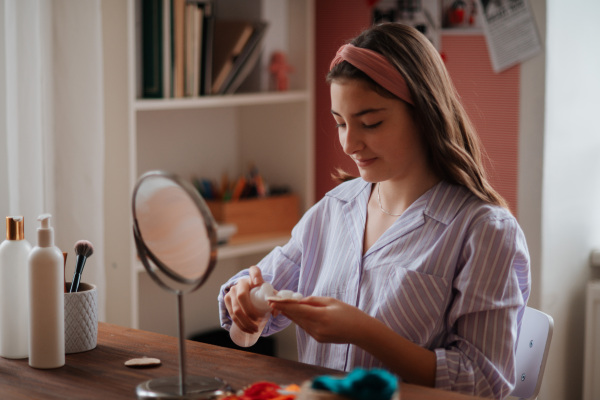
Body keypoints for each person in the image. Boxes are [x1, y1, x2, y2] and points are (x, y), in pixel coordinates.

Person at [219, 22, 530, 399]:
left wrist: (364, 332)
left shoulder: (483, 231)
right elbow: (261, 294)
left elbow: (482, 384)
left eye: (371, 122)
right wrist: (242, 296)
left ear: (424, 112)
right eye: (340, 123)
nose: (349, 143)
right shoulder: (334, 210)